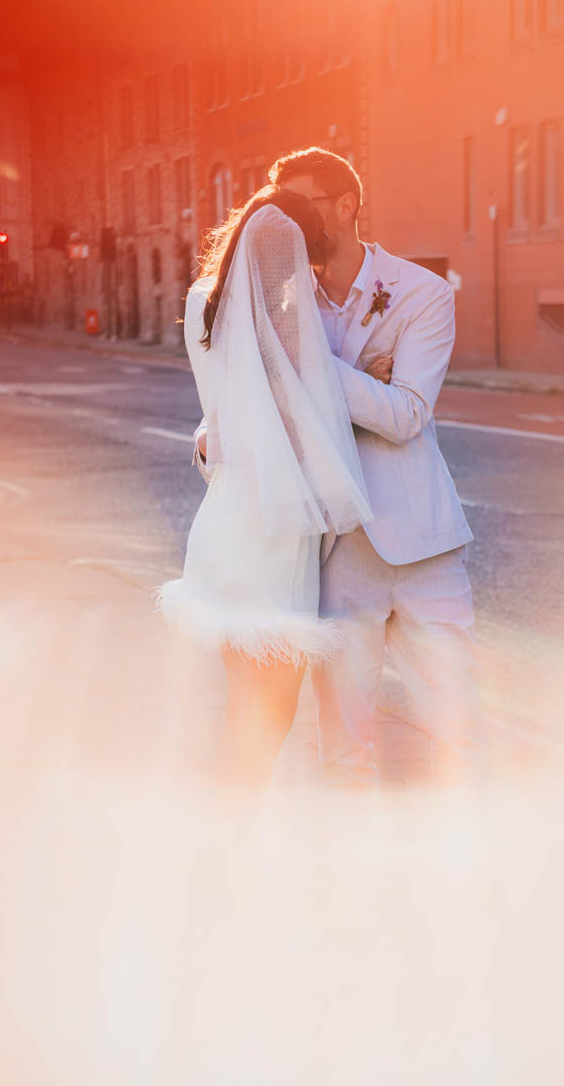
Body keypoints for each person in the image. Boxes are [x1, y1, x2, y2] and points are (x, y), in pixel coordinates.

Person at [195, 149, 483, 787]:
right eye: (281, 209)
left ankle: (472, 865)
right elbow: (246, 400)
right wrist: (214, 436)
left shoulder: (420, 292)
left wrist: (315, 377)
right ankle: (350, 877)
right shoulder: (276, 299)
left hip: (422, 549)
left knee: (460, 725)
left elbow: (407, 414)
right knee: (344, 749)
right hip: (331, 560)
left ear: (346, 206)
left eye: (304, 206)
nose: (291, 224)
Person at [157, 186, 372, 789]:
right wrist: (359, 379)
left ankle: (226, 825)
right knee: (275, 704)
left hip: (227, 518)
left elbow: (222, 423)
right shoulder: (278, 320)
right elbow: (312, 417)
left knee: (243, 704)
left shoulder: (206, 303)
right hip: (276, 530)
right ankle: (230, 827)